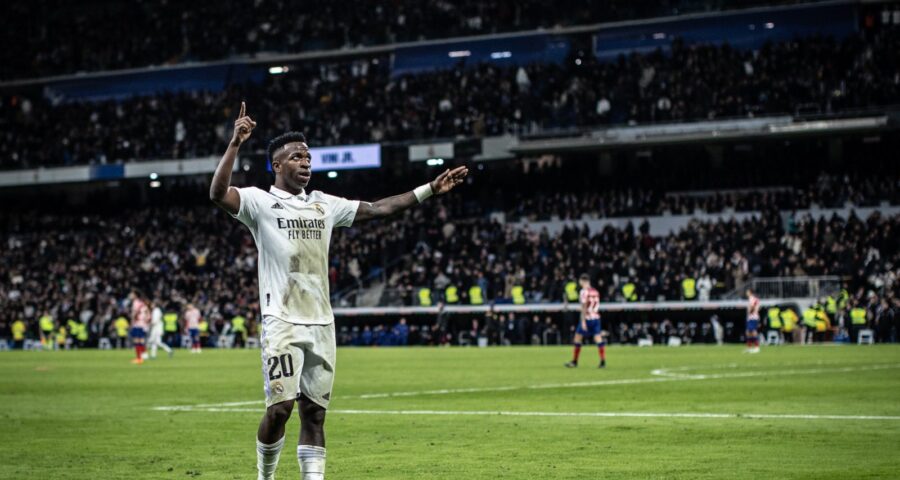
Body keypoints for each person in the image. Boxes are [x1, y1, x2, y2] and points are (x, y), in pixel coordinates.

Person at [209, 102, 467, 480]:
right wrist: (234, 143)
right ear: (277, 166)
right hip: (282, 319)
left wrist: (430, 189)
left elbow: (380, 209)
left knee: (314, 413)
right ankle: (265, 476)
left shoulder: (324, 204)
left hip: (322, 323)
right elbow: (218, 194)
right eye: (296, 156)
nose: (305, 162)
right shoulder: (259, 202)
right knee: (279, 409)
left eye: (308, 156)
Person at [565, 273, 606, 368]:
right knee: (598, 339)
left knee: (577, 338)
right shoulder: (595, 291)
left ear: (583, 281)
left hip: (587, 318)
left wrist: (583, 321)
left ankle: (574, 361)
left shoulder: (584, 291)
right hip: (596, 317)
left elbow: (584, 307)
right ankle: (603, 361)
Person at [129, 291, 151, 364]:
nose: (130, 295)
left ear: (135, 295)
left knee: (137, 340)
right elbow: (148, 315)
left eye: (131, 294)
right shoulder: (142, 303)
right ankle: (144, 354)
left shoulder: (136, 303)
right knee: (141, 340)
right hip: (143, 324)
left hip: (138, 324)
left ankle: (139, 358)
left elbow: (134, 314)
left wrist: (132, 322)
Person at [744, 288, 761, 353]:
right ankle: (749, 347)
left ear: (750, 292)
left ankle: (757, 348)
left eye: (747, 292)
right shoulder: (755, 299)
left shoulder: (752, 298)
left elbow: (753, 306)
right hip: (752, 317)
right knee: (748, 332)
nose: (746, 293)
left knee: (753, 332)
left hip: (752, 317)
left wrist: (750, 311)